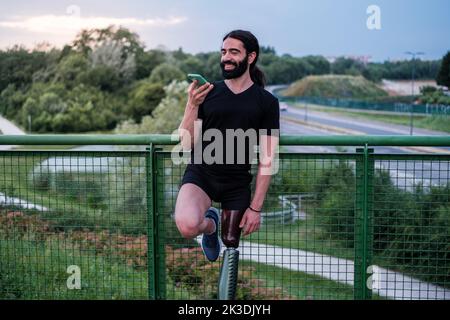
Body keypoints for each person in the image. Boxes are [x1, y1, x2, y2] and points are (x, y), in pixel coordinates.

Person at [175, 29, 280, 262]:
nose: (226, 57)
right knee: (187, 225)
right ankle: (210, 226)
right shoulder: (208, 93)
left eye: (234, 52)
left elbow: (268, 158)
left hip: (236, 183)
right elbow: (186, 143)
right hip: (201, 174)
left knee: (231, 243)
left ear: (250, 57)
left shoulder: (267, 102)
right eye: (223, 52)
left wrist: (256, 208)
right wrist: (191, 105)